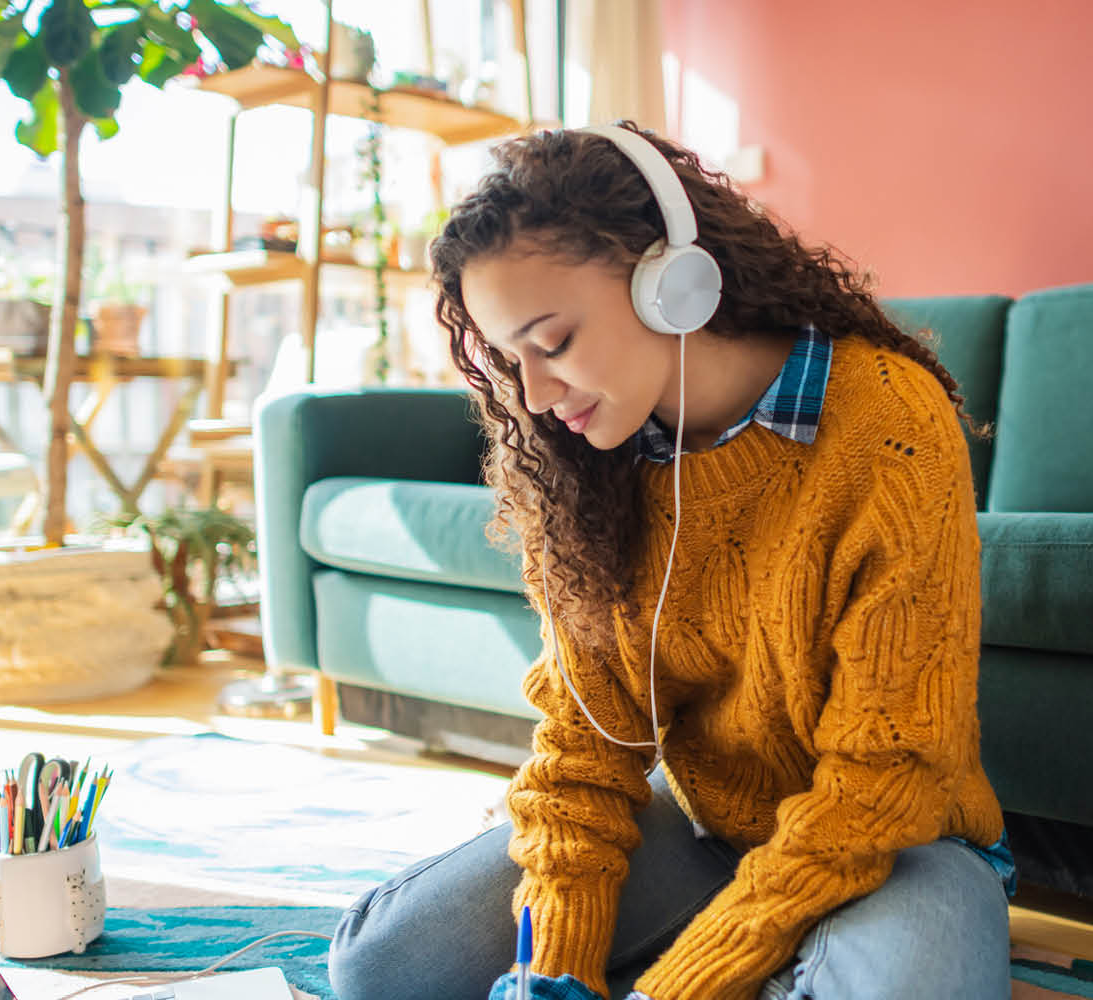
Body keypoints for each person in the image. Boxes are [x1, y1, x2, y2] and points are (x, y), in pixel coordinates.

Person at [325, 121, 1014, 1000]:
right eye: (510, 361)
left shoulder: (889, 424)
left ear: (669, 282)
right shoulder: (577, 466)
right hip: (705, 833)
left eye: (554, 340)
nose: (534, 396)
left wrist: (683, 984)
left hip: (899, 840)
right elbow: (584, 752)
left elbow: (883, 783)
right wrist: (555, 971)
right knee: (378, 970)